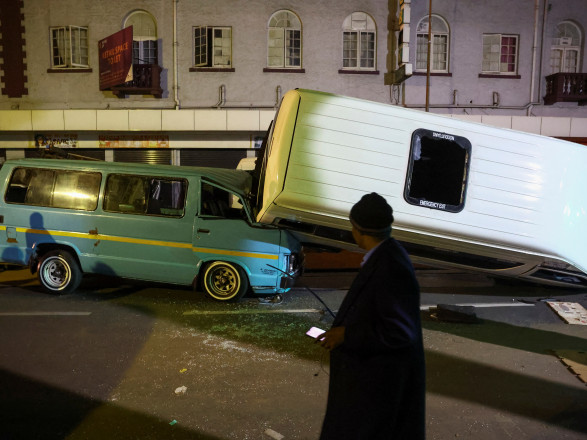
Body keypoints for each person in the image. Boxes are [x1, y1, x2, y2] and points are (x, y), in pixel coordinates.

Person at [317, 192, 425, 439]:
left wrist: (347, 334)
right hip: (372, 390)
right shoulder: (386, 256)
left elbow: (399, 332)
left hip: (377, 394)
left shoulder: (391, 266)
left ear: (357, 229)